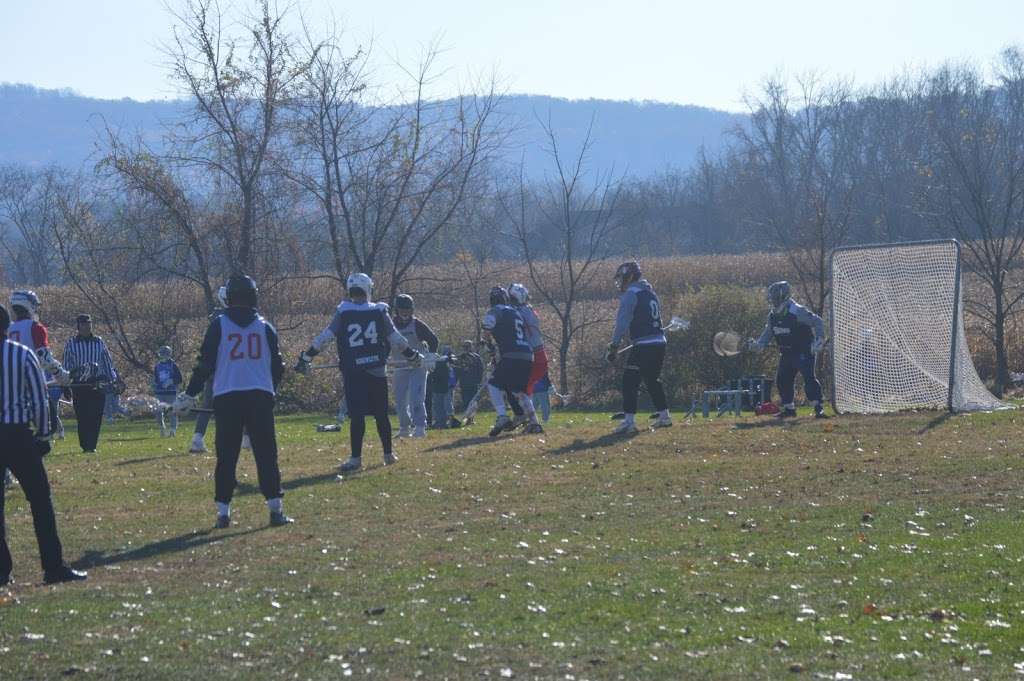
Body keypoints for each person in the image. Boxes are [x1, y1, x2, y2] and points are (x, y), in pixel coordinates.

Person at [172, 274, 292, 528]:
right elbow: (278, 366)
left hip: (227, 397)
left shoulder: (219, 325)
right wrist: (270, 389)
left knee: (227, 457)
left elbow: (204, 364)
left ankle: (223, 513)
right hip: (259, 396)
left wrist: (189, 394)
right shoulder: (264, 326)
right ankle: (275, 510)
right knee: (266, 455)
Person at [295, 273, 423, 473]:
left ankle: (356, 459)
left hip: (353, 372)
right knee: (381, 415)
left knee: (357, 417)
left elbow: (326, 337)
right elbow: (395, 338)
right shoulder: (380, 311)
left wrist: (307, 356)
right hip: (376, 371)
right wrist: (412, 356)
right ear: (368, 289)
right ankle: (388, 454)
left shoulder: (344, 312)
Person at [0, 303, 87, 586]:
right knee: (40, 501)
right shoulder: (21, 354)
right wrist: (43, 434)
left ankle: (2, 570)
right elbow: (38, 399)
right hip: (17, 433)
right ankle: (53, 566)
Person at [607, 261, 672, 435]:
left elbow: (622, 322)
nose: (620, 282)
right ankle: (665, 417)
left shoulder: (631, 294)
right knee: (652, 380)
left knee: (629, 380)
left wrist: (614, 345)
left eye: (622, 278)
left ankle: (629, 422)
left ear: (629, 277)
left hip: (645, 344)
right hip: (660, 342)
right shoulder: (650, 292)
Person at [747, 281, 826, 418]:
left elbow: (818, 321)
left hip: (804, 351)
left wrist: (819, 340)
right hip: (787, 353)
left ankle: (818, 407)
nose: (772, 300)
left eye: (775, 296)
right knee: (783, 380)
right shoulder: (772, 316)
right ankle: (789, 409)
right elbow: (768, 334)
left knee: (809, 378)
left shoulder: (797, 311)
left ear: (782, 297)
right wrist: (758, 345)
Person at [482, 286, 542, 437]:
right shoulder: (515, 312)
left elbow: (487, 328)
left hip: (511, 355)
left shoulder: (496, 310)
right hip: (527, 355)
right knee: (519, 391)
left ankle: (502, 416)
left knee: (493, 383)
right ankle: (534, 422)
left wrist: (488, 343)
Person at [7, 290, 65, 439]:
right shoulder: (35, 327)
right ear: (29, 305)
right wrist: (60, 374)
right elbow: (44, 358)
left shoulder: (8, 328)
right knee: (43, 420)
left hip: (10, 385)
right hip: (33, 382)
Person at [62, 314, 119, 453]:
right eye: (83, 324)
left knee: (96, 415)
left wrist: (114, 380)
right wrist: (64, 385)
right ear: (78, 326)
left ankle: (92, 445)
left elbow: (107, 363)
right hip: (79, 384)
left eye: (89, 323)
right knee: (82, 416)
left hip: (97, 382)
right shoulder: (71, 343)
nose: (87, 326)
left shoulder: (99, 342)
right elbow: (66, 365)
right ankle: (85, 445)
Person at [389, 294, 438, 438]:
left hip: (418, 366)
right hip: (400, 367)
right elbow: (385, 345)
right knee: (399, 399)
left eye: (408, 309)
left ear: (412, 310)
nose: (405, 312)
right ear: (397, 310)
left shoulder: (417, 324)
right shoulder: (389, 326)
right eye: (402, 309)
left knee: (416, 397)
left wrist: (431, 356)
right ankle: (404, 427)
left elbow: (433, 340)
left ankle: (420, 427)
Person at [190, 285, 227, 454]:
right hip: (226, 369)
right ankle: (246, 438)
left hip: (215, 370)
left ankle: (198, 438)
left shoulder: (217, 319)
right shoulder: (225, 321)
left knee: (208, 404)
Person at [508, 283, 548, 423]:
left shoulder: (518, 313)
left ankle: (530, 421)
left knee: (517, 389)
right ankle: (525, 419)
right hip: (540, 354)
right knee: (525, 389)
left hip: (532, 356)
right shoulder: (529, 310)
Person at [153, 345, 183, 437]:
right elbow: (156, 379)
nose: (163, 356)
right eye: (162, 354)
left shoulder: (173, 365)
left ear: (169, 354)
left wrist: (171, 381)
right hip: (159, 392)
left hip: (171, 392)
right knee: (158, 411)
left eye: (165, 354)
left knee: (172, 411)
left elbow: (180, 378)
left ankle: (173, 429)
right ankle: (162, 428)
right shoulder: (157, 366)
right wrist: (154, 384)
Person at [429, 346, 456, 429]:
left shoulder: (442, 361)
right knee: (443, 405)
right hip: (443, 386)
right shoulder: (445, 361)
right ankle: (441, 422)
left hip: (442, 386)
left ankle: (443, 422)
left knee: (441, 405)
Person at [454, 340, 484, 411]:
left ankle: (470, 417)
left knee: (470, 400)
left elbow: (480, 369)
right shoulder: (462, 357)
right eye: (465, 346)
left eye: (466, 346)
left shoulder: (475, 357)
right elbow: (457, 370)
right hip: (466, 382)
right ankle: (469, 416)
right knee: (469, 400)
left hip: (470, 382)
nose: (466, 348)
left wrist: (479, 379)